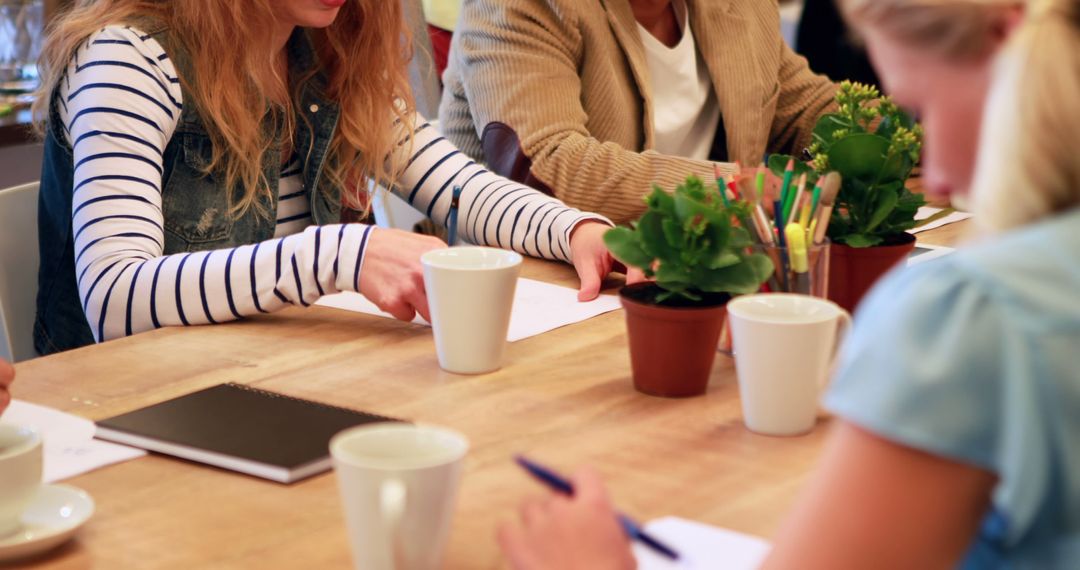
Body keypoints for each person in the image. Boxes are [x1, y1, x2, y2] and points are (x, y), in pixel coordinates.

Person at [497, 0, 1080, 567]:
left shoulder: (970, 314)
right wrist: (747, 186)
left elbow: (810, 108)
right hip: (583, 292)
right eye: (916, 107)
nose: (942, 175)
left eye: (922, 104)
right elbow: (556, 159)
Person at [31, 0, 626, 355]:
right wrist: (341, 253)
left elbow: (461, 186)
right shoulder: (127, 58)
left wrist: (581, 232)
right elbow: (115, 299)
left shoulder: (325, 48)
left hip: (277, 381)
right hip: (131, 417)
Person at [438, 0, 837, 224]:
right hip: (534, 289)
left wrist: (885, 134)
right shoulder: (520, 5)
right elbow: (549, 167)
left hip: (692, 272)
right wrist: (733, 190)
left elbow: (809, 107)